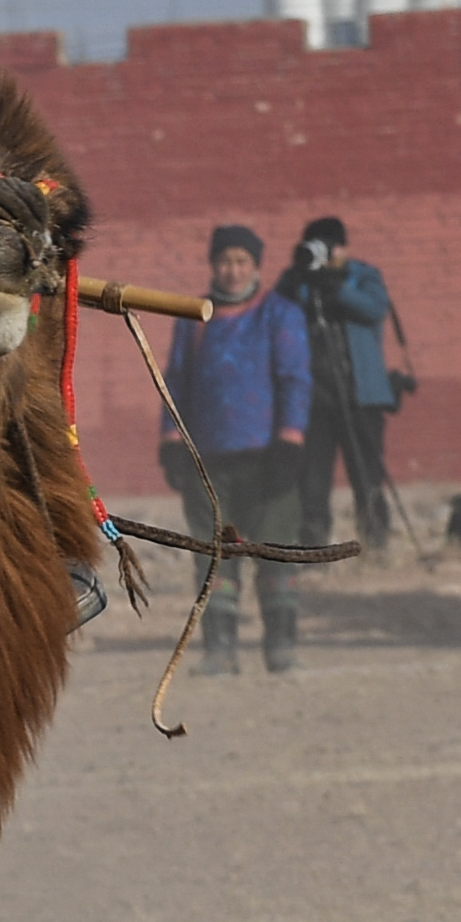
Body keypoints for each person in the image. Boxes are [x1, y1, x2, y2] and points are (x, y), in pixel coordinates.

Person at [161, 225, 312, 674]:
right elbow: (176, 381)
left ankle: (280, 645)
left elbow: (295, 379)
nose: (232, 270)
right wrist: (172, 441)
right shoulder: (195, 319)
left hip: (269, 458)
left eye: (241, 262)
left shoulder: (279, 314)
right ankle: (219, 648)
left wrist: (291, 438)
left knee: (274, 549)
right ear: (213, 265)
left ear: (256, 267)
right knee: (212, 555)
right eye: (225, 261)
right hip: (210, 461)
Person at [276, 215, 401, 553]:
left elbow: (373, 309)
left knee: (367, 476)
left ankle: (376, 545)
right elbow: (279, 312)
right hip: (315, 400)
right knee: (312, 482)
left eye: (330, 246)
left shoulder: (363, 276)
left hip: (362, 396)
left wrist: (334, 284)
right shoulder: (297, 280)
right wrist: (303, 276)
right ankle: (314, 547)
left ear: (344, 247)